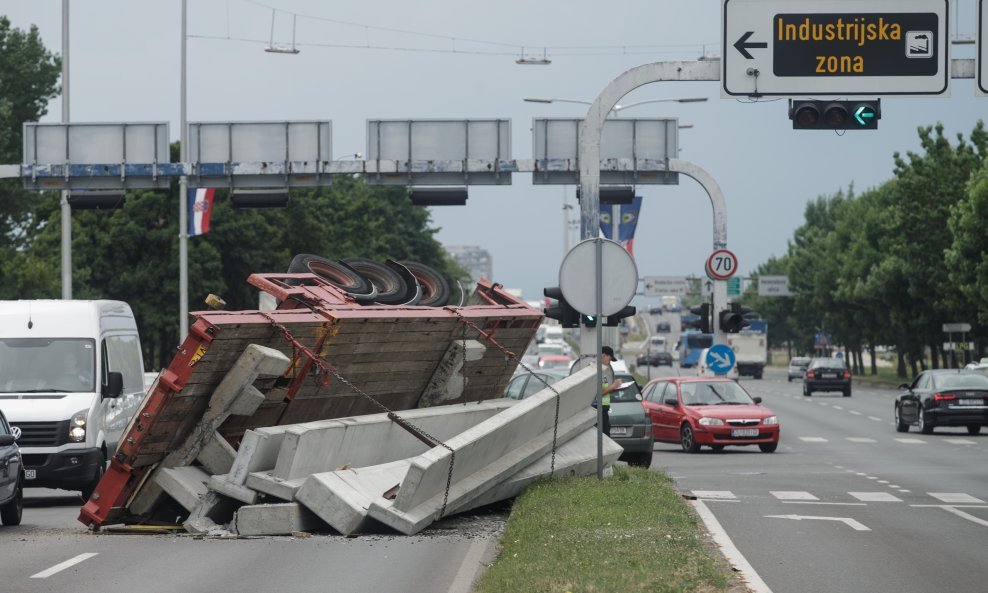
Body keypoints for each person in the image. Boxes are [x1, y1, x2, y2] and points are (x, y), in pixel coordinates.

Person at [598, 346, 621, 436]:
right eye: (609, 358)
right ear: (603, 355)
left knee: (606, 436)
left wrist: (614, 388)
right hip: (598, 408)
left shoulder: (603, 371)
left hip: (604, 408)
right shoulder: (596, 370)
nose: (610, 362)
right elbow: (599, 392)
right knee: (604, 436)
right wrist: (613, 386)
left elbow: (604, 391)